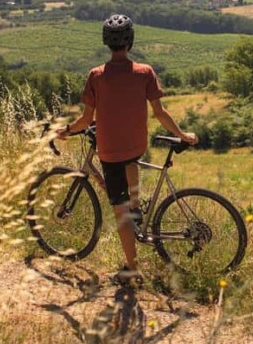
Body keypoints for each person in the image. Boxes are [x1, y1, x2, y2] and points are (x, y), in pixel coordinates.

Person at [60, 14, 197, 284]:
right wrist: (182, 134)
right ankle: (136, 206)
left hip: (110, 151)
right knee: (131, 160)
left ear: (106, 43)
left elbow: (86, 120)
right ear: (130, 41)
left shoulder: (96, 76)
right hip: (137, 144)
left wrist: (66, 131)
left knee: (119, 210)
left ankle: (132, 269)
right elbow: (160, 113)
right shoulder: (145, 72)